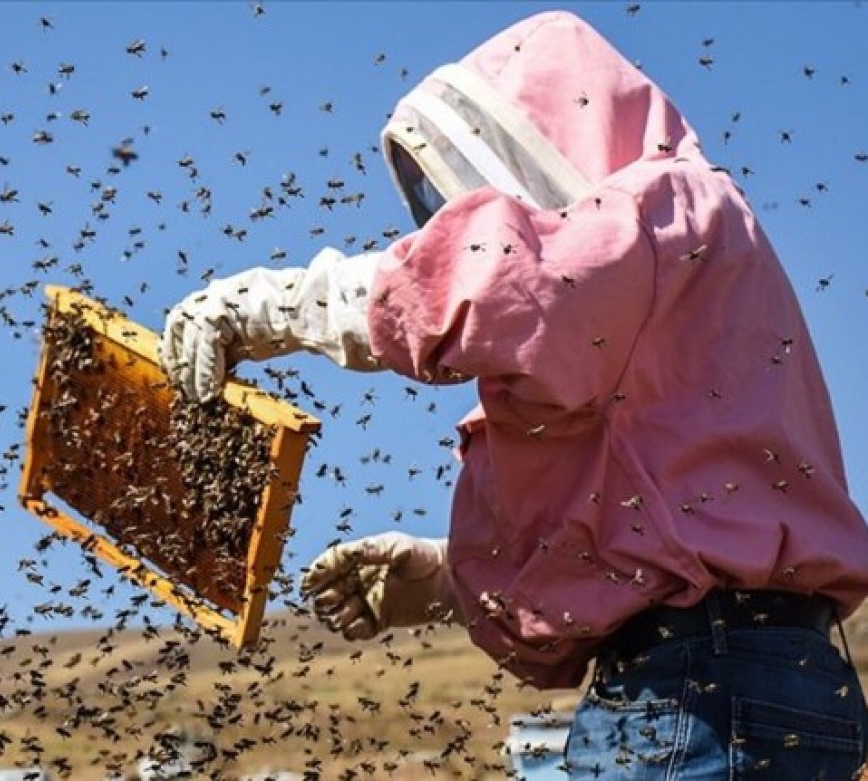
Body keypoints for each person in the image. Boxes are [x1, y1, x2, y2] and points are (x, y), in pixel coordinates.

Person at [159, 9, 868, 779]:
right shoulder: (664, 313)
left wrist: (278, 307)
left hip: (699, 687)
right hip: (760, 681)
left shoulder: (669, 205)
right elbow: (655, 511)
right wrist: (447, 580)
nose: (453, 223)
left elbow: (500, 278)